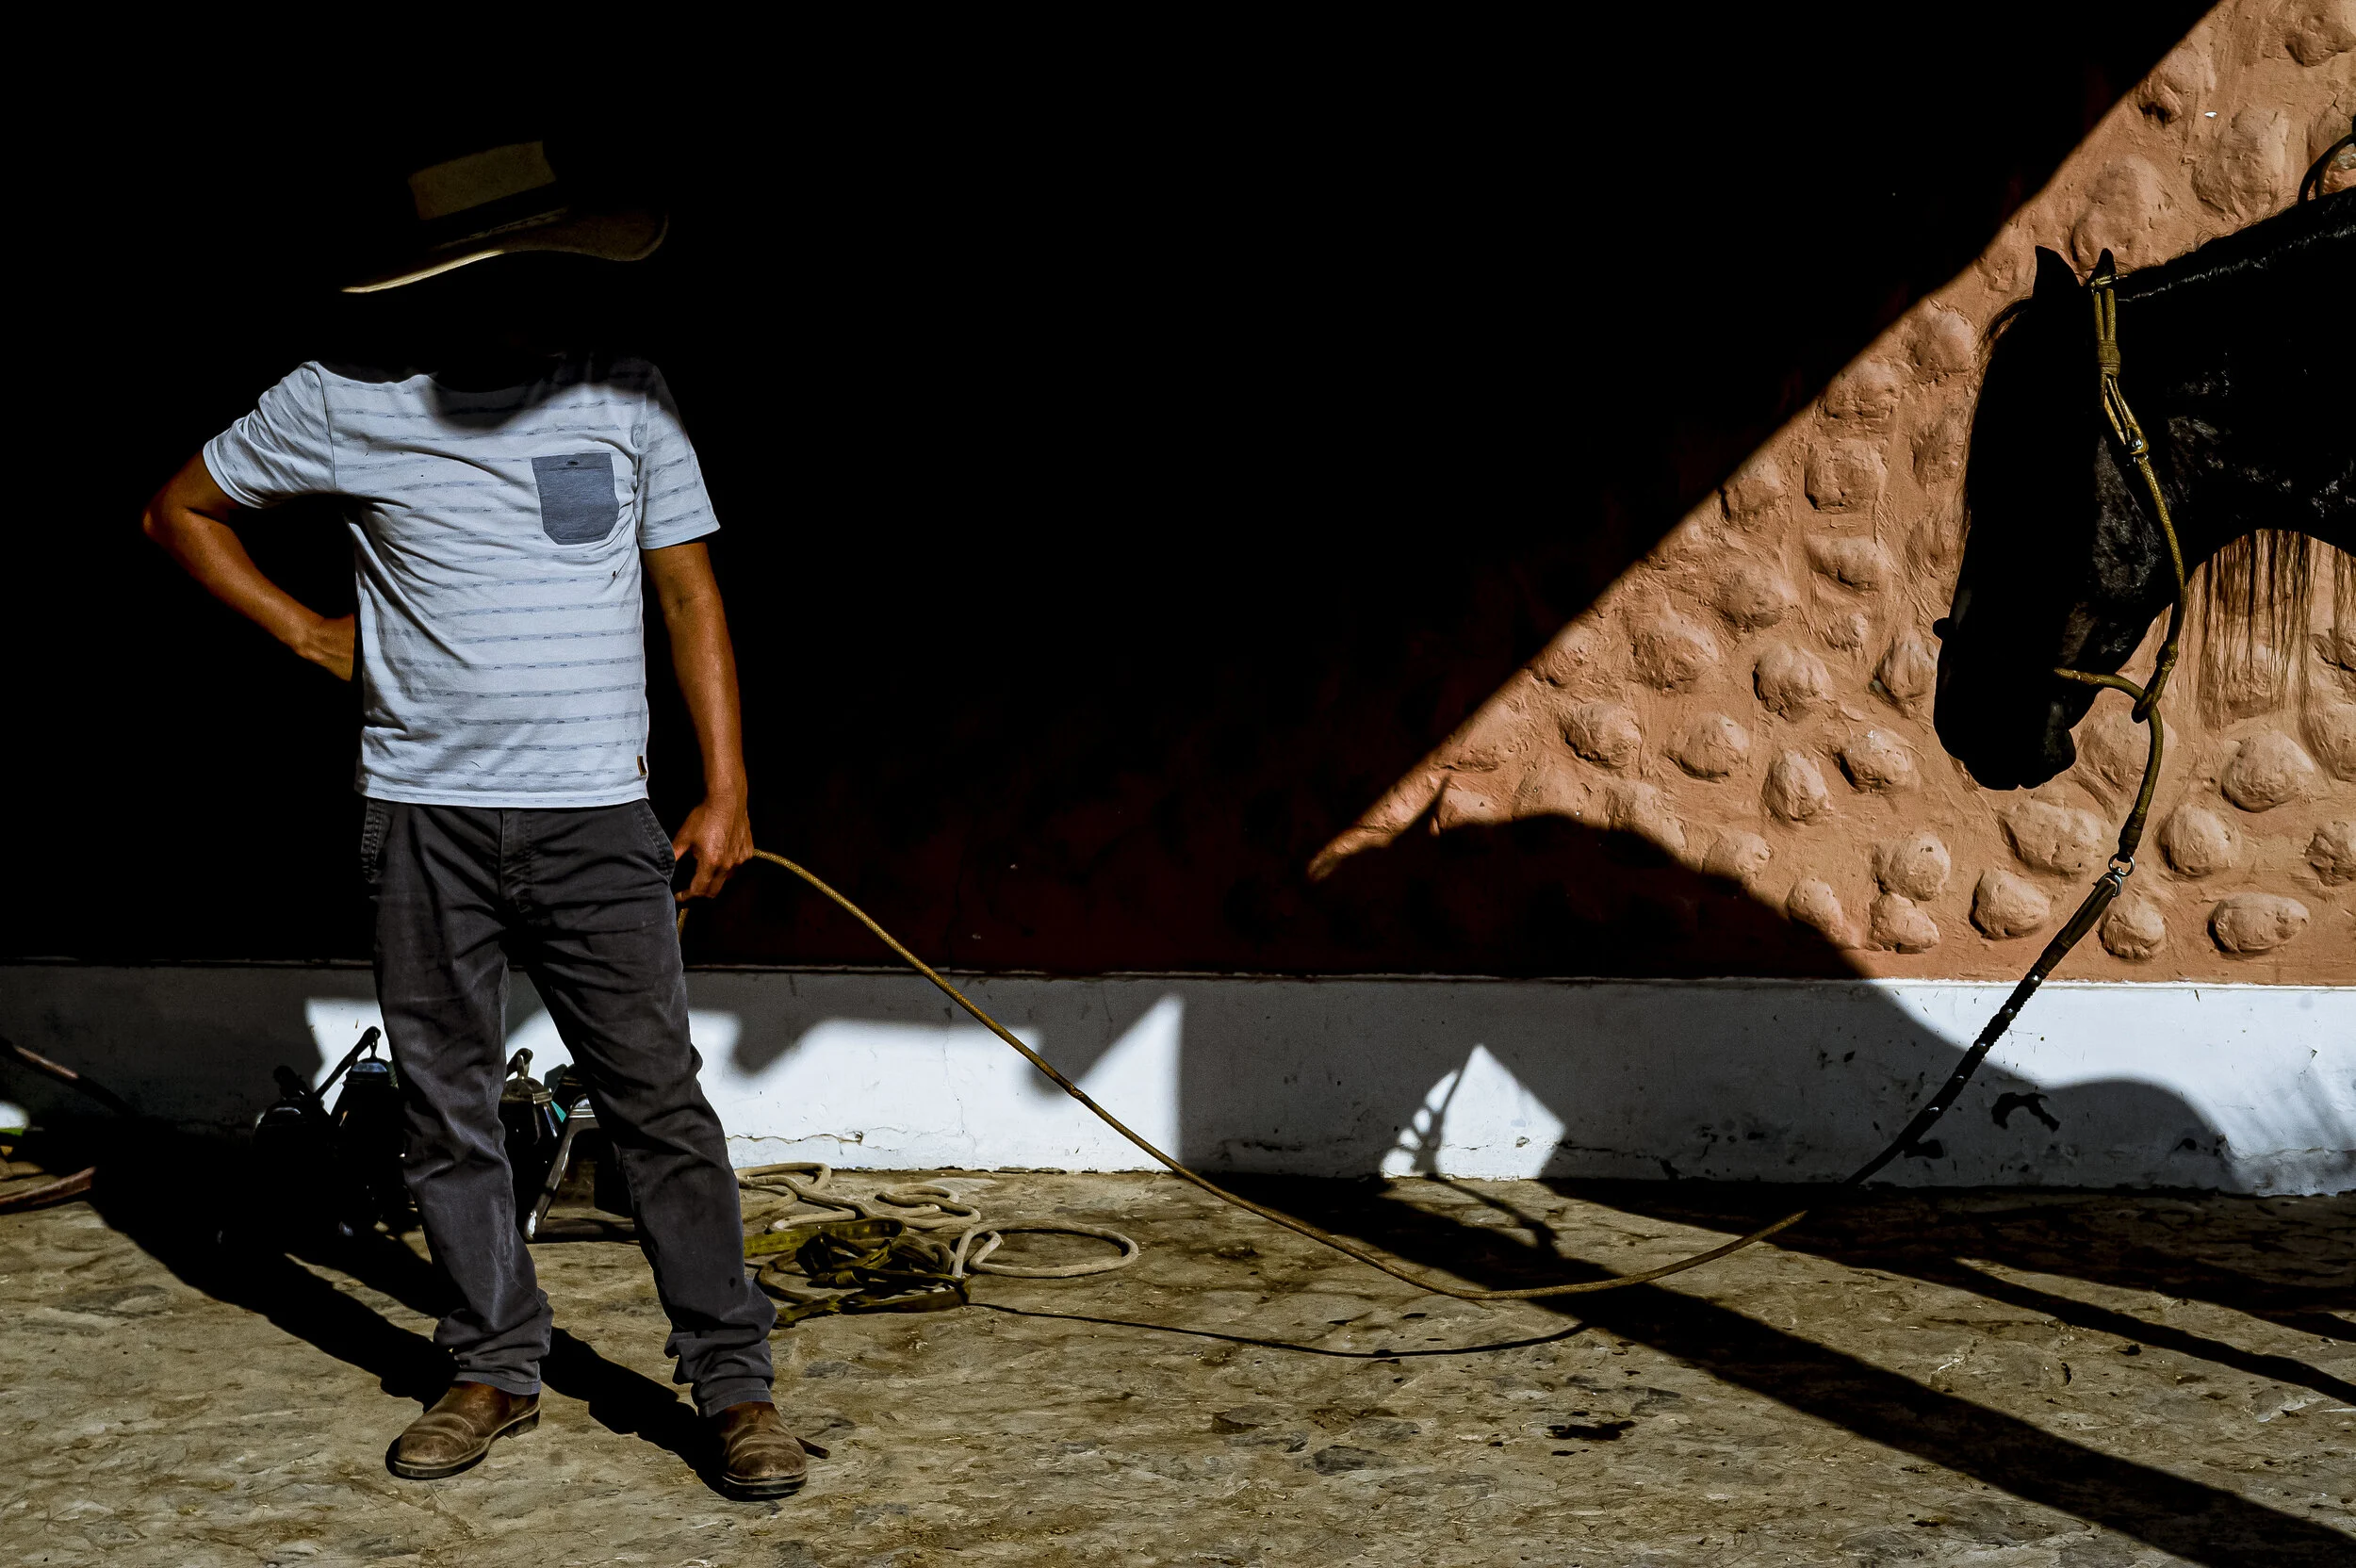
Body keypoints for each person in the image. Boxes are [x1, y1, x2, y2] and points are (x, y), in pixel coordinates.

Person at [139, 139, 804, 1499]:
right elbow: (179, 511)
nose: (540, 288)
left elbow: (688, 594)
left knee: (656, 1102)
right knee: (448, 1105)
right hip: (424, 813)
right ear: (449, 277)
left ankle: (733, 1388)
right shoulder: (342, 400)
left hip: (598, 819)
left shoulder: (627, 396)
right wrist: (309, 636)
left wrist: (725, 789)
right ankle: (494, 1364)